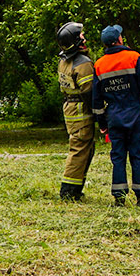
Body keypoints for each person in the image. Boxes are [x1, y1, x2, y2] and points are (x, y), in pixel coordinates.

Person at [90, 24, 140, 207]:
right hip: (134, 114)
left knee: (118, 157)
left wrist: (101, 123)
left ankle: (119, 197)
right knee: (137, 155)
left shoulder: (99, 65)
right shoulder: (133, 57)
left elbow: (96, 100)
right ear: (119, 40)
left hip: (114, 116)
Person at [55, 21, 98, 201]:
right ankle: (69, 192)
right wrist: (99, 112)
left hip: (70, 109)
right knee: (79, 149)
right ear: (75, 41)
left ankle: (75, 188)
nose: (84, 38)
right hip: (81, 111)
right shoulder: (83, 64)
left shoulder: (64, 61)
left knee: (83, 148)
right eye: (81, 36)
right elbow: (89, 93)